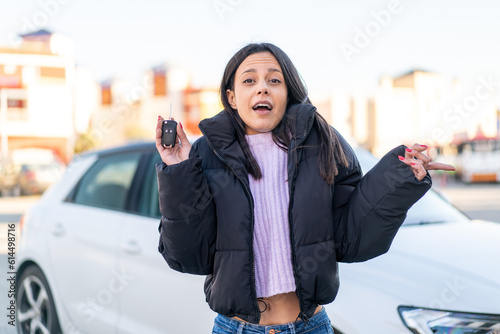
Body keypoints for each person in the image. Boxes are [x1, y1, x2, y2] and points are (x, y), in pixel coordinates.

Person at [154, 43, 455, 334]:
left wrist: (398, 178)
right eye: (249, 80)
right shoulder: (207, 153)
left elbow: (352, 239)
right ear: (232, 97)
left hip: (309, 326)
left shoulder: (321, 142)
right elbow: (188, 256)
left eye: (275, 80)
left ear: (287, 93)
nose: (263, 88)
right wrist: (178, 171)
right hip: (236, 329)